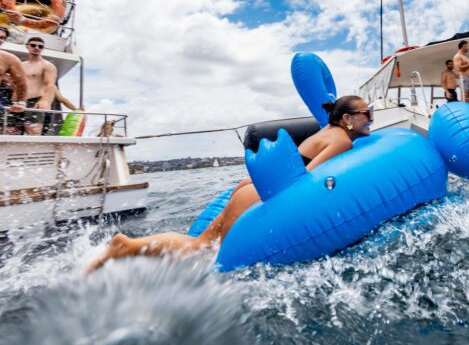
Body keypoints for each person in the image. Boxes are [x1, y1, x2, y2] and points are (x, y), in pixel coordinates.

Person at [87, 95, 373, 273]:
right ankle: (126, 248)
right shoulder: (342, 140)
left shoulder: (328, 131)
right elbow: (307, 176)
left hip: (250, 188)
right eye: (366, 114)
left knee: (200, 245)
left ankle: (128, 248)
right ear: (347, 118)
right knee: (203, 253)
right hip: (261, 193)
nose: (370, 118)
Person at [20, 35, 57, 135]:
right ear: (27, 46)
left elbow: (50, 84)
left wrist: (44, 100)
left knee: (33, 134)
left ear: (43, 49)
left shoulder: (47, 65)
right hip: (19, 102)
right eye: (33, 45)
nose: (37, 48)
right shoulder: (21, 65)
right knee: (11, 132)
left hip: (35, 102)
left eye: (40, 46)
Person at [0, 26, 28, 132]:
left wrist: (21, 102)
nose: (0, 39)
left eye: (2, 38)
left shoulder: (9, 59)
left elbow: (21, 82)